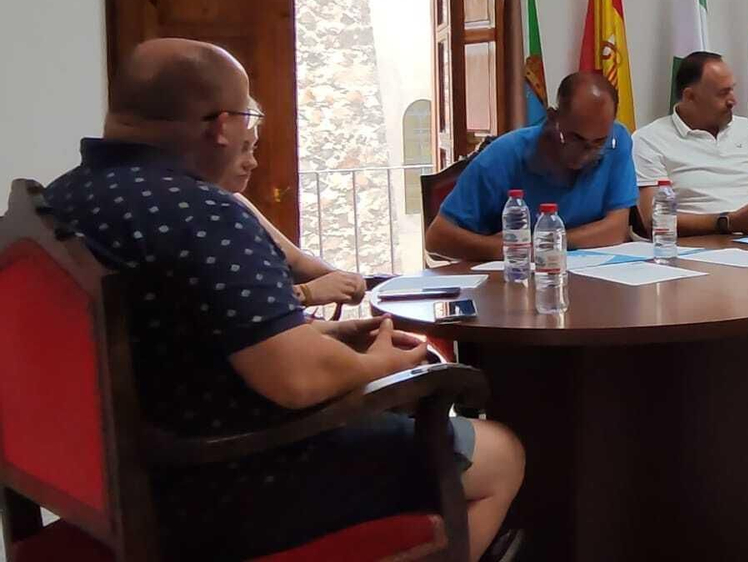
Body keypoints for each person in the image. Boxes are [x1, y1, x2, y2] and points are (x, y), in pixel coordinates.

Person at [44, 39, 524, 560]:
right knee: (500, 453)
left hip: (103, 480)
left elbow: (176, 335)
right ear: (223, 126)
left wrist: (328, 334)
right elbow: (297, 379)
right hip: (223, 483)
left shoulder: (59, 200)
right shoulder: (200, 212)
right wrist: (384, 363)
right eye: (249, 117)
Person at [427, 71, 636, 260]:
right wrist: (500, 248)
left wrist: (540, 244)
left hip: (585, 274)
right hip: (513, 277)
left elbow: (616, 230)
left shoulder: (617, 140)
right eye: (575, 139)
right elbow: (436, 238)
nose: (586, 153)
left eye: (598, 142)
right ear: (554, 118)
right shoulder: (503, 156)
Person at [633, 51, 748, 236]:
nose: (733, 101)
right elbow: (654, 221)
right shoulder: (649, 140)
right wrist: (727, 222)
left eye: (732, 89)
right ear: (690, 96)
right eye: (723, 93)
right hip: (695, 246)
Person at [223, 99, 367, 309]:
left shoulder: (236, 200)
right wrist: (309, 292)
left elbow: (297, 261)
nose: (252, 162)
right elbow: (237, 306)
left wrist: (340, 278)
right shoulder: (206, 214)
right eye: (241, 149)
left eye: (252, 148)